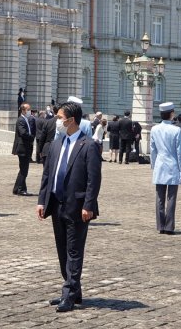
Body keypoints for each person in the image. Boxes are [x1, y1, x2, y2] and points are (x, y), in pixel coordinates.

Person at [37, 101, 102, 313]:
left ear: (71, 120)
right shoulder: (57, 144)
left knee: (74, 251)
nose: (57, 121)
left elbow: (94, 179)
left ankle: (68, 293)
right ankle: (74, 289)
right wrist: (41, 200)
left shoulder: (88, 145)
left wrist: (89, 205)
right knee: (62, 250)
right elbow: (48, 175)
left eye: (59, 117)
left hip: (77, 206)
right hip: (56, 204)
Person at [150, 102, 181, 235]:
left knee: (159, 197)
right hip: (172, 165)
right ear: (171, 114)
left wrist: (153, 165)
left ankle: (160, 225)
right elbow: (179, 151)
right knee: (171, 197)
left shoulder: (154, 129)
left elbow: (152, 150)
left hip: (159, 164)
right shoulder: (176, 130)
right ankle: (169, 226)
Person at [12, 102, 36, 195]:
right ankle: (19, 189)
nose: (30, 111)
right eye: (28, 109)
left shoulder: (26, 119)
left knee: (23, 169)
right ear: (23, 110)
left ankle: (20, 188)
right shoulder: (21, 120)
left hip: (26, 147)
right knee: (23, 170)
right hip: (22, 148)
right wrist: (31, 137)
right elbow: (23, 133)